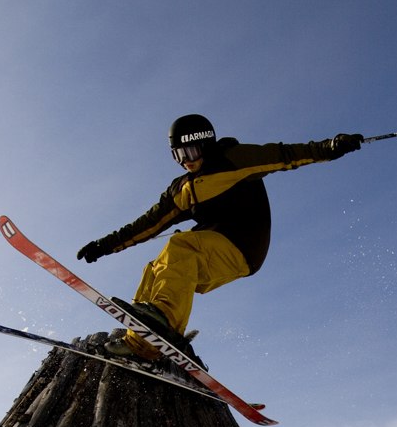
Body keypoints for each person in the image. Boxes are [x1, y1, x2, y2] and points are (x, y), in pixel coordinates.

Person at [77, 114, 364, 362]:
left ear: (204, 144)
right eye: (178, 156)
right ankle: (142, 344)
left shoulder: (233, 158)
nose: (185, 162)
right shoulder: (182, 190)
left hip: (243, 244)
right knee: (155, 268)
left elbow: (284, 155)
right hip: (211, 248)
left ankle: (162, 320)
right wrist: (104, 245)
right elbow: (147, 224)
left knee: (180, 246)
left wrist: (330, 147)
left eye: (189, 153)